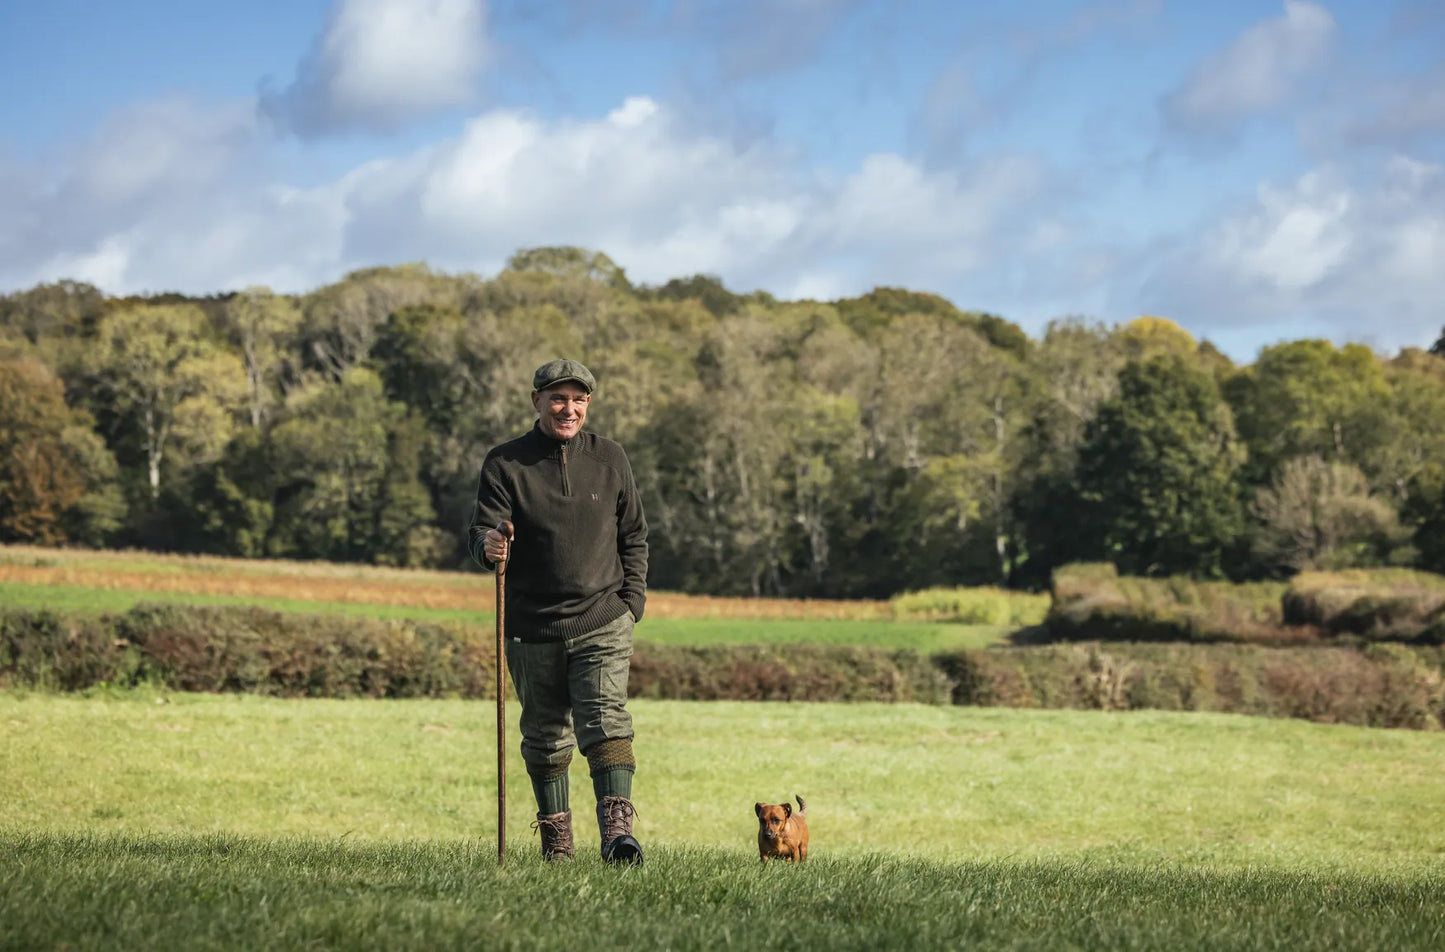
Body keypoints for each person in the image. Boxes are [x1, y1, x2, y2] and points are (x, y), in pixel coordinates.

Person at [467, 358, 649, 865]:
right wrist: (489, 546)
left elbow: (634, 534)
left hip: (603, 618)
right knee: (545, 737)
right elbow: (481, 533)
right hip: (530, 627)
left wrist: (632, 602)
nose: (568, 409)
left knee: (606, 721)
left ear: (588, 404)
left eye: (578, 399)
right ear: (537, 401)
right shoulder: (504, 463)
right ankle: (558, 848)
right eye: (557, 398)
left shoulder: (611, 459)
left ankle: (618, 838)